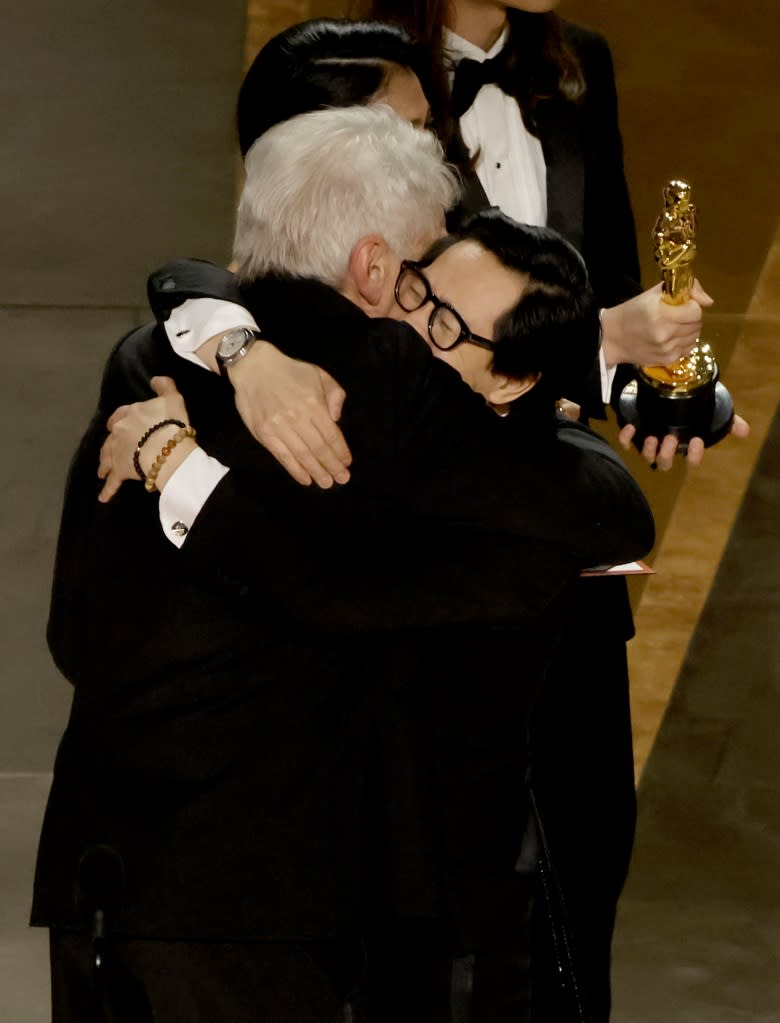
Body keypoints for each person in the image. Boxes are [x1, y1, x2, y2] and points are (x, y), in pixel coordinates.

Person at [34, 105, 653, 1023]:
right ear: (375, 264)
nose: (421, 303)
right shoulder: (393, 385)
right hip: (264, 906)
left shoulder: (145, 363)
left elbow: (72, 636)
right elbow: (606, 502)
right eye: (424, 270)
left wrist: (192, 437)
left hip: (103, 881)